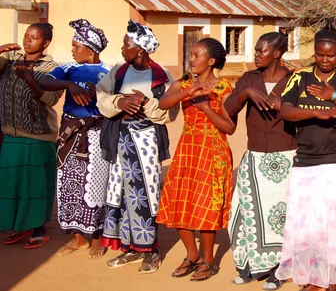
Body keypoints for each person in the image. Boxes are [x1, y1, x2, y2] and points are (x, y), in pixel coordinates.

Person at [275, 23, 336, 291]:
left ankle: (334, 279)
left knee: (335, 220)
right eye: (320, 55)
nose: (325, 60)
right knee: (306, 221)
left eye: (331, 55)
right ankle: (311, 275)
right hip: (306, 158)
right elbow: (285, 111)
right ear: (315, 52)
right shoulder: (300, 78)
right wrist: (318, 113)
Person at [96, 20, 178, 274]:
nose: (122, 48)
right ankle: (129, 247)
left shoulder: (161, 75)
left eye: (126, 44)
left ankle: (149, 250)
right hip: (120, 138)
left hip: (146, 140)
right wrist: (119, 101)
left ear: (140, 49)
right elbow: (101, 95)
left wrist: (145, 103)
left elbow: (170, 111)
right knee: (120, 192)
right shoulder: (119, 70)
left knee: (145, 193)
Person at [156, 38, 235, 282]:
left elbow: (230, 127)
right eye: (190, 55)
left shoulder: (224, 88)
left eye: (196, 55)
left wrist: (206, 108)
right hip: (187, 148)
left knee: (207, 203)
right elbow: (162, 103)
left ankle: (208, 259)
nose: (191, 59)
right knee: (181, 200)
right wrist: (188, 93)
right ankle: (191, 254)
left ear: (210, 61)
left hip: (213, 149)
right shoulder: (183, 83)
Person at [225, 33, 297, 290]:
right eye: (255, 51)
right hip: (254, 157)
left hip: (285, 157)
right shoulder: (249, 79)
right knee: (244, 213)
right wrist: (246, 94)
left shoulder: (293, 80)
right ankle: (248, 265)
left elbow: (301, 115)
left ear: (276, 53)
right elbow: (228, 109)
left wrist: (280, 106)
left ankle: (278, 269)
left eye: (260, 51)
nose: (256, 55)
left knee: (279, 216)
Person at [39, 19, 110, 259]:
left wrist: (97, 94)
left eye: (76, 46)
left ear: (91, 50)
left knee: (98, 185)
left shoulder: (109, 72)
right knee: (70, 183)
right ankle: (78, 239)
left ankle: (98, 238)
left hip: (97, 133)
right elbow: (44, 82)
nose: (72, 50)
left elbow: (115, 99)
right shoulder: (68, 68)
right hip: (71, 132)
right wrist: (69, 84)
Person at [0, 23, 62, 249]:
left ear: (45, 43)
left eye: (34, 38)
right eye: (26, 36)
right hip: (10, 133)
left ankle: (39, 229)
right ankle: (20, 225)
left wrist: (29, 78)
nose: (27, 40)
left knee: (34, 186)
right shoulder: (9, 61)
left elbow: (51, 99)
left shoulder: (51, 67)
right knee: (11, 184)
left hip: (38, 136)